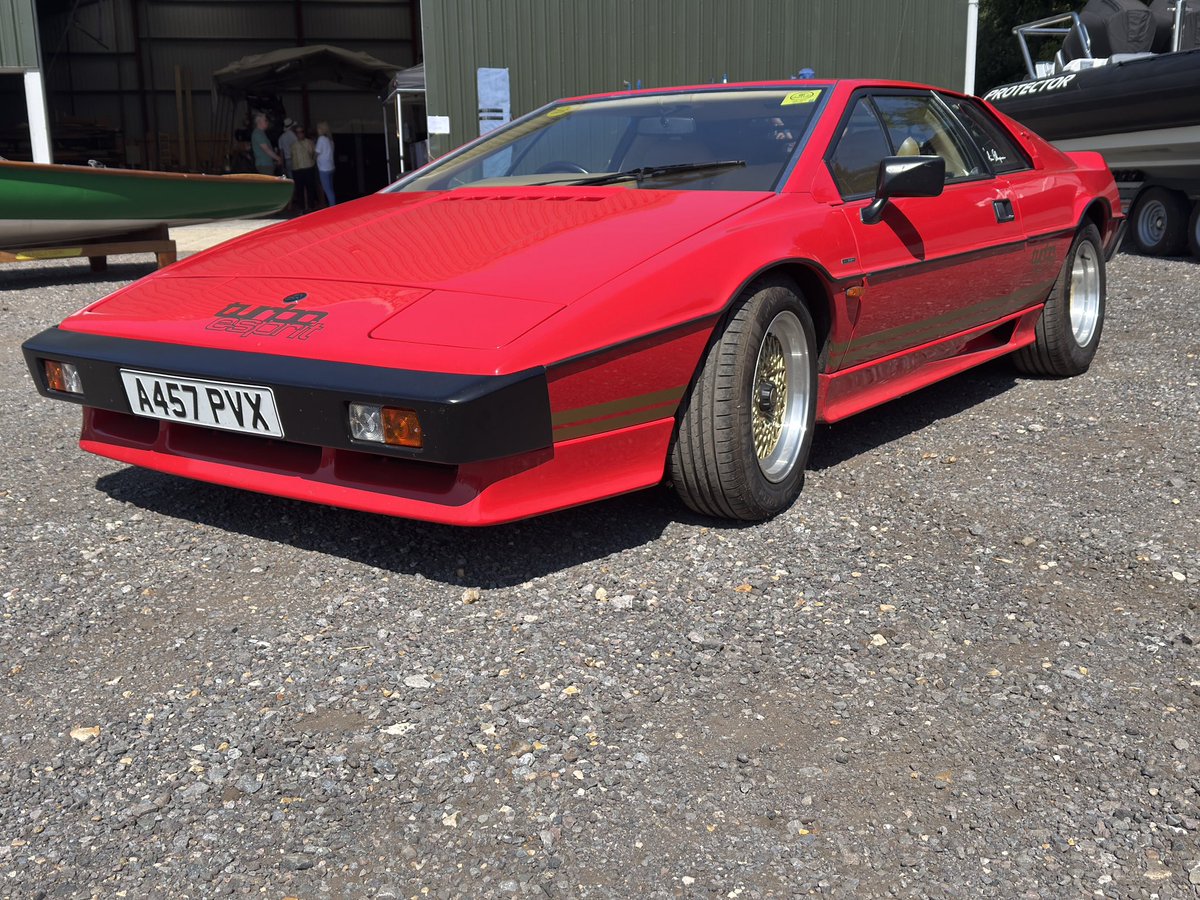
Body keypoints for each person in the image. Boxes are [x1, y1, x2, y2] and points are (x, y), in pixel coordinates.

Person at [290, 125, 318, 212]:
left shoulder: (309, 142)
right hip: (297, 169)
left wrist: (312, 161)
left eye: (301, 132)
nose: (299, 134)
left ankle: (311, 206)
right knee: (299, 189)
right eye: (297, 132)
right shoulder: (293, 145)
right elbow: (292, 156)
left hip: (308, 167)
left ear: (304, 133)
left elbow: (314, 153)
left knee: (310, 187)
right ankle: (301, 207)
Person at [315, 121, 336, 205]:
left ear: (321, 129)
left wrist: (313, 159)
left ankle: (332, 208)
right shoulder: (330, 140)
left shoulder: (321, 139)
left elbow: (317, 152)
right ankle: (333, 206)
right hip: (331, 166)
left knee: (327, 190)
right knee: (330, 189)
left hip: (324, 168)